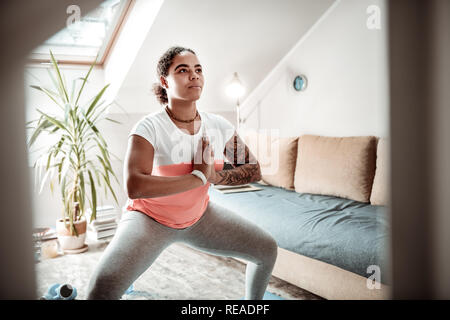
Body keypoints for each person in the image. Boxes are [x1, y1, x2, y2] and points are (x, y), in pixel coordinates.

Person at [86, 46, 278, 300]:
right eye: (183, 70)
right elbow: (134, 186)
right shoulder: (149, 127)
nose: (194, 76)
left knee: (266, 250)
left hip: (200, 218)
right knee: (101, 287)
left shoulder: (218, 125)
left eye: (198, 69)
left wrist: (212, 176)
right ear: (165, 81)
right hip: (149, 220)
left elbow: (253, 170)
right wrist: (196, 177)